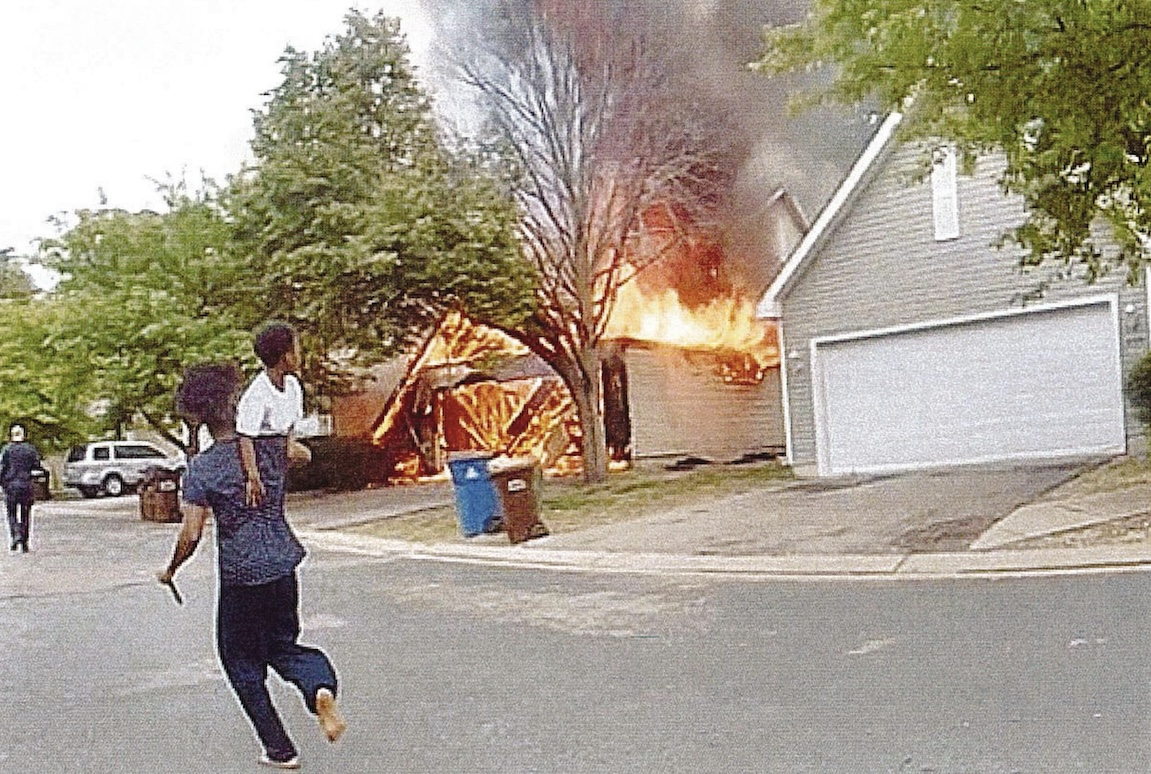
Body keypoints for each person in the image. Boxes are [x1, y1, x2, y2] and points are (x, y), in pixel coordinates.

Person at [158, 363, 345, 770]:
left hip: (242, 575)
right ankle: (319, 688)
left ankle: (279, 749)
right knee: (283, 646)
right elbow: (302, 454)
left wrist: (170, 570)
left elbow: (190, 534)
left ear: (200, 418)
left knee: (240, 659)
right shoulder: (268, 447)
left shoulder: (202, 469)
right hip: (282, 563)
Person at [237, 322, 312, 509]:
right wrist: (253, 477)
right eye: (295, 350)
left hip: (280, 455)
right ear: (284, 356)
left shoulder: (293, 386)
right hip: (261, 455)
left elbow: (291, 426)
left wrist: (290, 449)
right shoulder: (257, 393)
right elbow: (245, 438)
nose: (299, 355)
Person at [0, 424, 42, 552]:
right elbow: (37, 466)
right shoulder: (30, 450)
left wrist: (2, 483)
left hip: (11, 485)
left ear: (12, 435)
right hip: (26, 484)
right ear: (23, 435)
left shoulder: (7, 450)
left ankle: (15, 536)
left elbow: (2, 468)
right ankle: (24, 542)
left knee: (11, 513)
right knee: (25, 514)